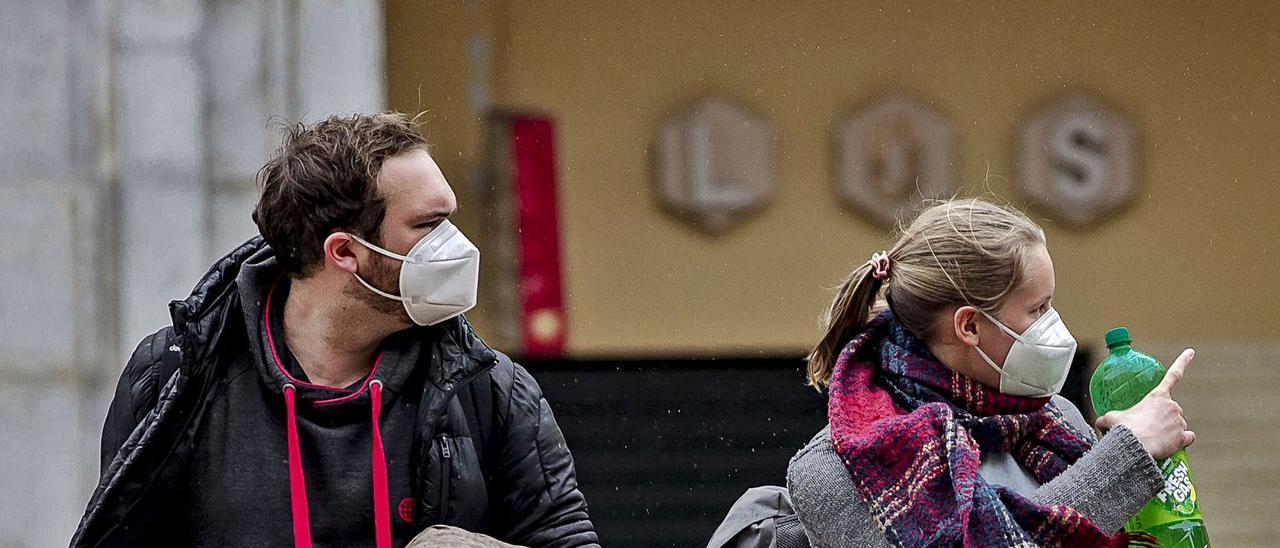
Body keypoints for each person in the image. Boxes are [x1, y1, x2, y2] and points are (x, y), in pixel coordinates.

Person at [72, 113, 598, 548]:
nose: (455, 245)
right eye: (427, 225)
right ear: (344, 251)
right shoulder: (175, 375)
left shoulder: (490, 388)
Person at [786, 199, 1194, 547]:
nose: (1055, 326)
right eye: (1037, 309)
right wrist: (1127, 455)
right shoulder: (835, 470)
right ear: (969, 327)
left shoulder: (1056, 422)